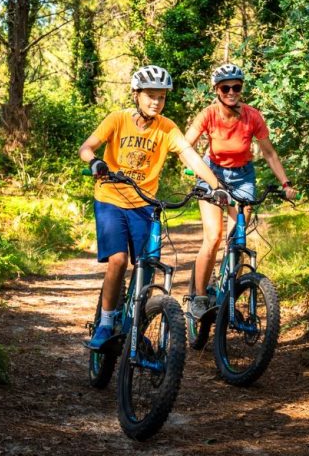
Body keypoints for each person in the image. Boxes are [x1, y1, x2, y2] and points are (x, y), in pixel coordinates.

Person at [79, 64, 229, 349]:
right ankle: (106, 323)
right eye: (150, 95)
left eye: (161, 97)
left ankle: (135, 325)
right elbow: (86, 147)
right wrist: (95, 162)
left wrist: (216, 185)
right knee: (118, 260)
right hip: (110, 199)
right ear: (136, 94)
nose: (156, 102)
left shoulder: (167, 127)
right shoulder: (117, 119)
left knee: (147, 265)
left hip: (144, 205)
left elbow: (190, 155)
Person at [184, 63, 298, 319]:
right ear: (217, 90)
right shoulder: (208, 114)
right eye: (225, 88)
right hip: (213, 174)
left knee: (238, 238)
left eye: (236, 87)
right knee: (213, 236)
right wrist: (193, 166)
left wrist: (286, 184)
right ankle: (199, 297)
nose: (231, 92)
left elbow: (269, 153)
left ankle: (228, 288)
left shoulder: (252, 116)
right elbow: (185, 145)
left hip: (243, 177)